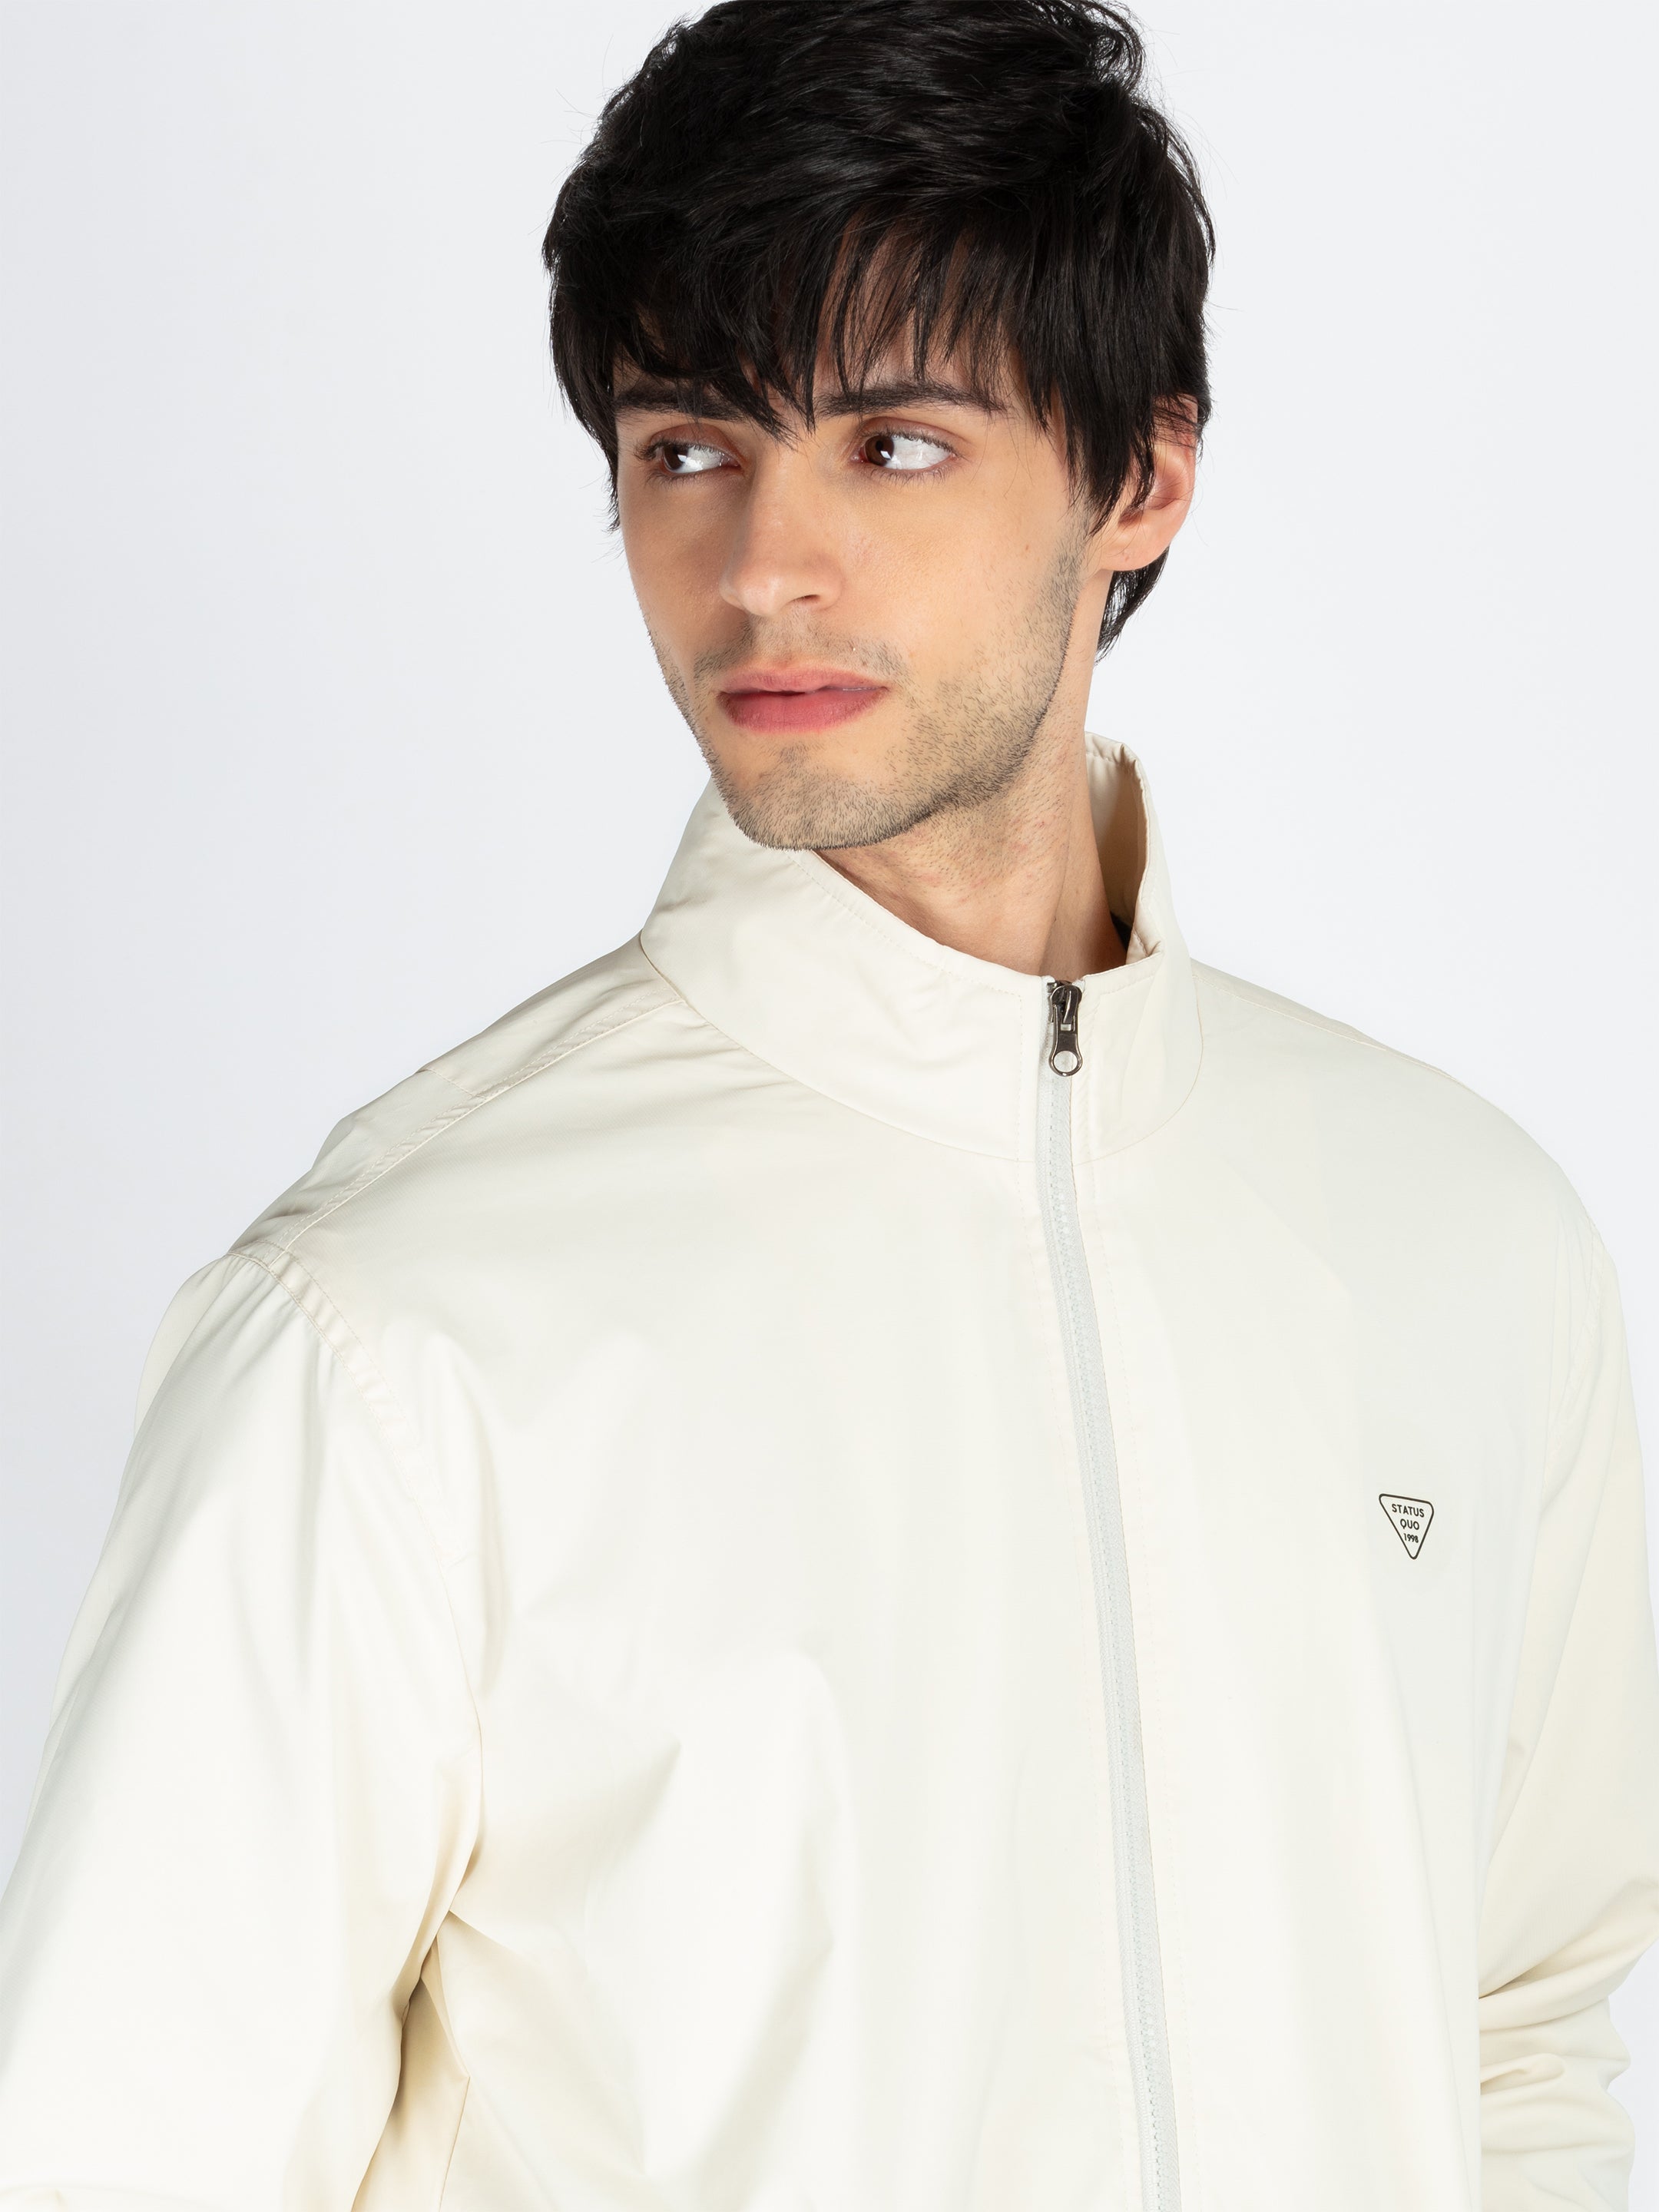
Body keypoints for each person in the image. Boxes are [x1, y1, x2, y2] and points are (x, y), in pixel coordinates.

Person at [2, 0, 1656, 2204]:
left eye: (892, 443)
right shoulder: (387, 1333)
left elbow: (1518, 2035)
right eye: (690, 446)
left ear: (1142, 476)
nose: (766, 563)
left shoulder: (1467, 1238)